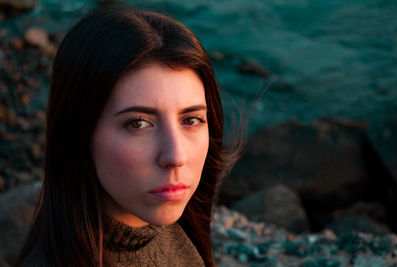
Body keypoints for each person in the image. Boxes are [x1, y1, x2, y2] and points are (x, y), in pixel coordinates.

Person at [17, 3, 237, 267]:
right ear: (80, 134)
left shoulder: (173, 231)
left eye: (191, 120)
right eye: (138, 124)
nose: (176, 155)